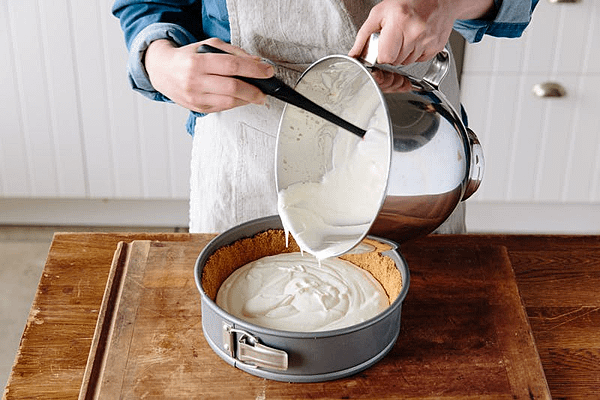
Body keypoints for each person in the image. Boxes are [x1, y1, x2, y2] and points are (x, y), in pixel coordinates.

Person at [112, 0, 539, 234]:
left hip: (406, 137)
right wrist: (159, 60)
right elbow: (148, 4)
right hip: (248, 142)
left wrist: (445, 3)